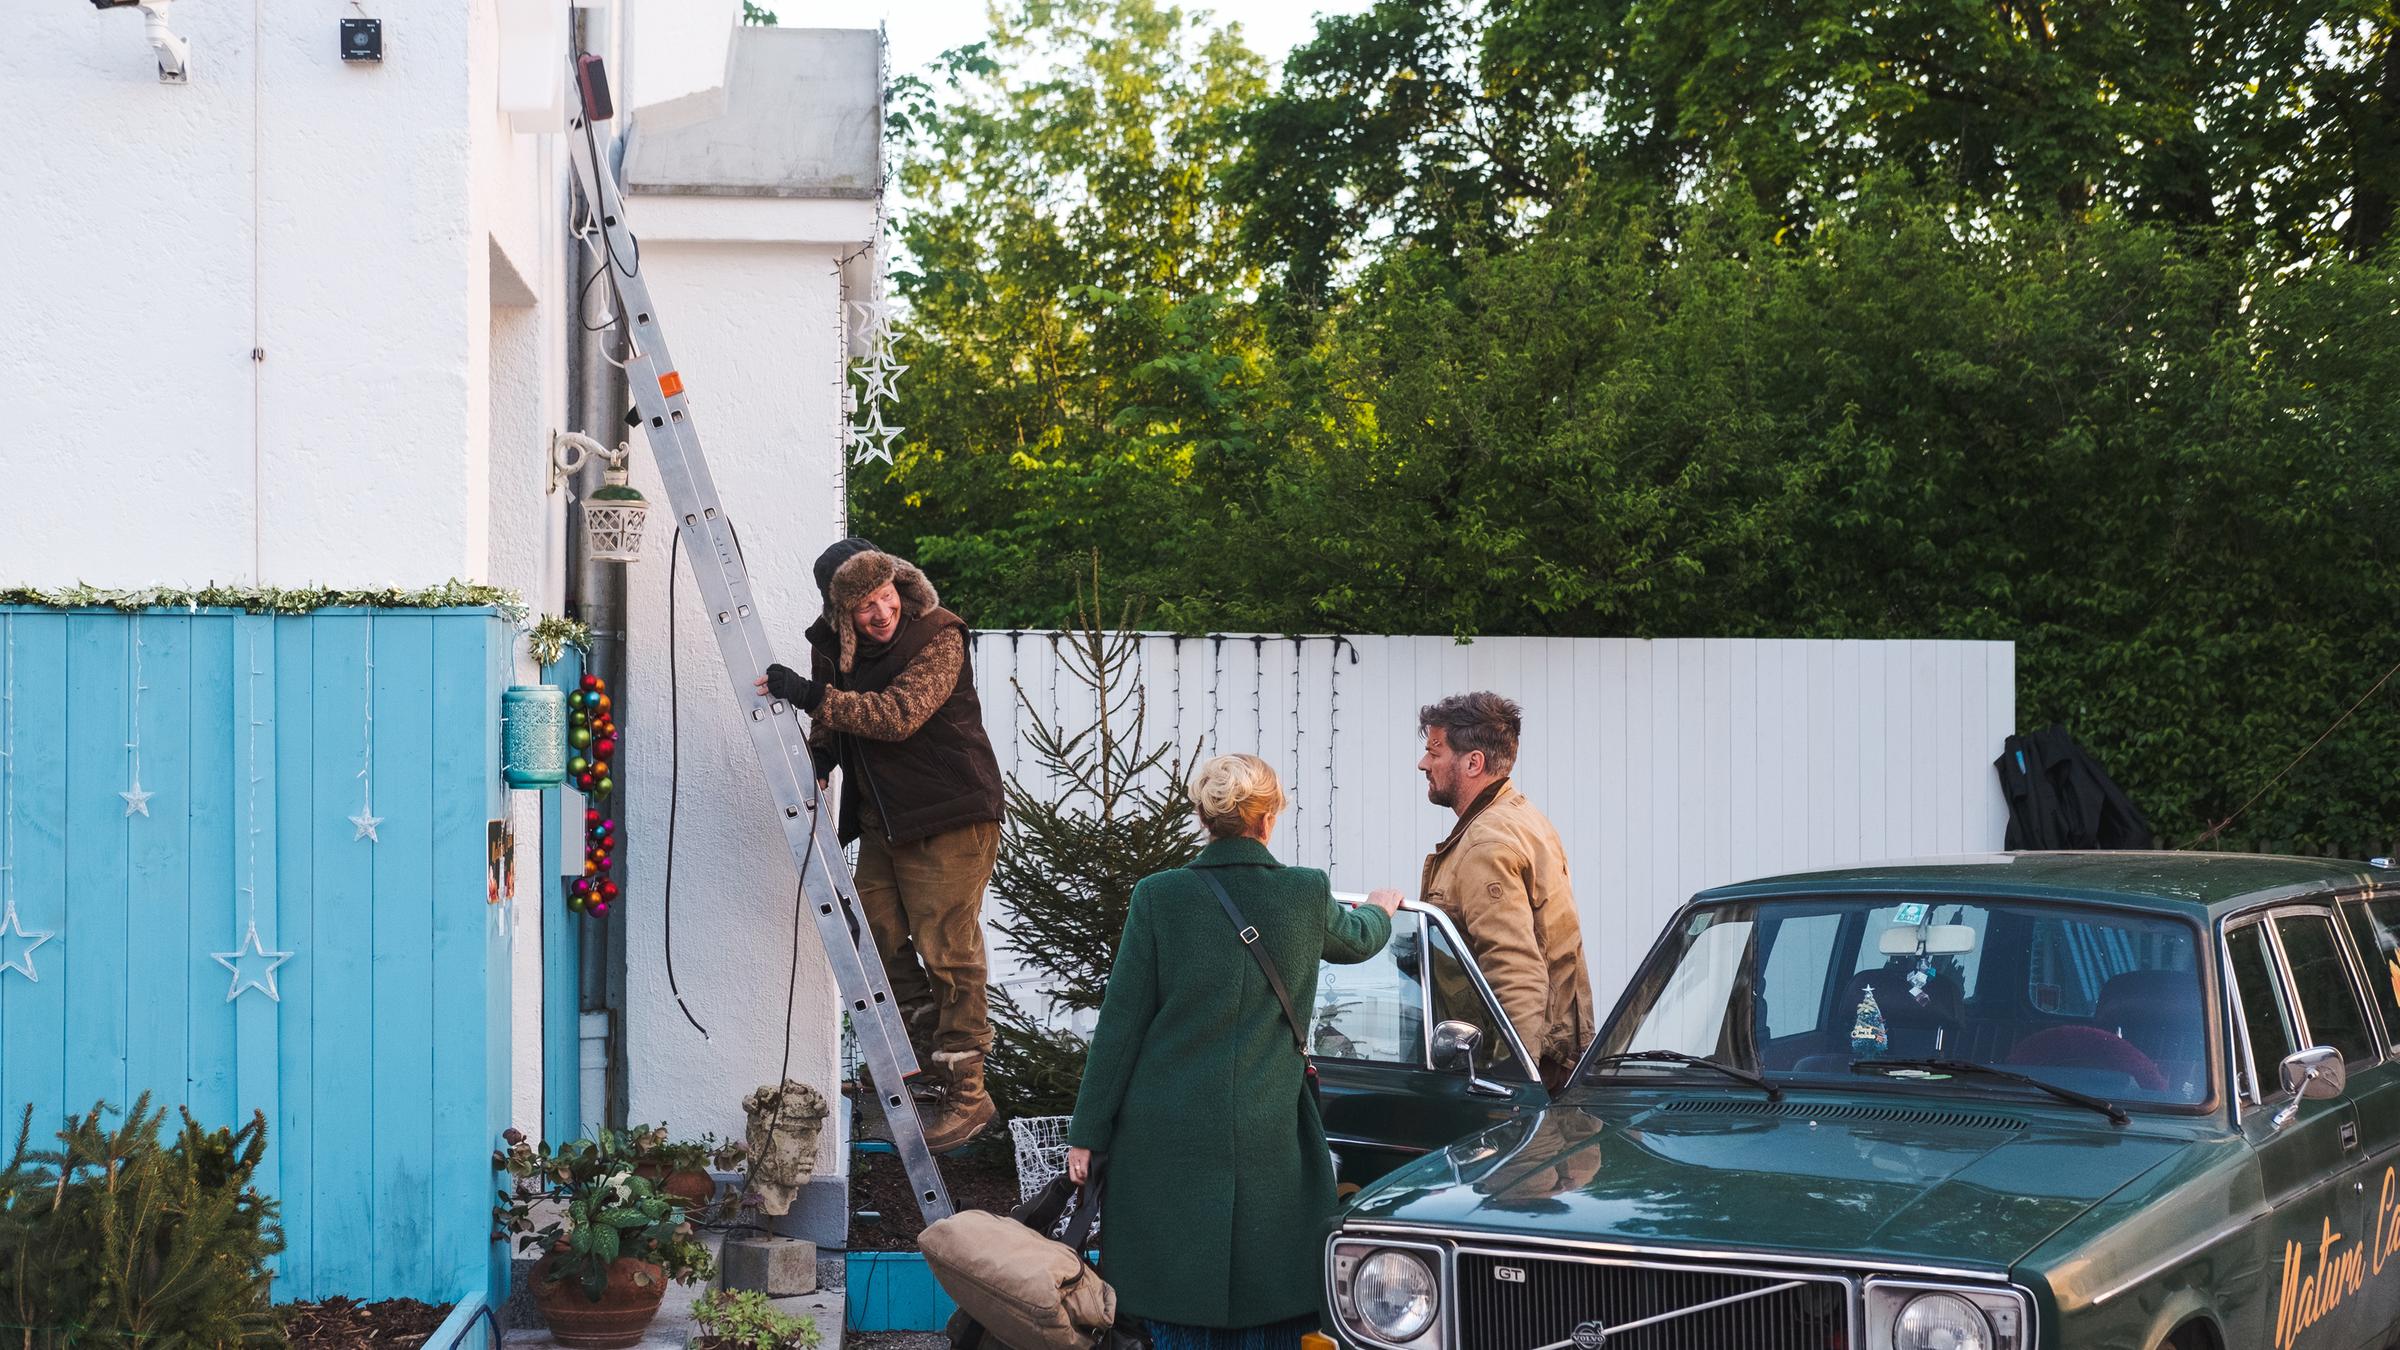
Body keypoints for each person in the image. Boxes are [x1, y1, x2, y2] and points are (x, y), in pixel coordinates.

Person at [1064, 754, 1402, 1350]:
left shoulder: (1159, 897)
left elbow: (1120, 1025)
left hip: (1166, 1132)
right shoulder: (1305, 892)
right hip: (1269, 1124)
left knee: (1168, 1297)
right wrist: (1381, 906)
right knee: (1274, 1289)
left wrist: (1088, 1130)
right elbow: (1359, 940)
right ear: (1267, 820)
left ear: (1204, 817)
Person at [759, 538, 1005, 1152]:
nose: (880, 611)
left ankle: (968, 1095)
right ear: (842, 612)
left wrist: (811, 695)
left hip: (949, 816)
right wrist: (819, 754)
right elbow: (833, 722)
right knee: (872, 936)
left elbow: (897, 715)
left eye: (885, 595)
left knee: (947, 950)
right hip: (883, 820)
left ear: (900, 585)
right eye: (863, 604)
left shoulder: (938, 636)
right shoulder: (831, 645)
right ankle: (926, 1065)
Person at [1416, 692, 1594, 1089]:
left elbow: (1516, 972)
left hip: (1517, 1074)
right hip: (1544, 1062)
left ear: (1473, 762)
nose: (1423, 763)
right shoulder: (1518, 817)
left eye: (1434, 751)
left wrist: (1513, 1089)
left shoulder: (1487, 842)